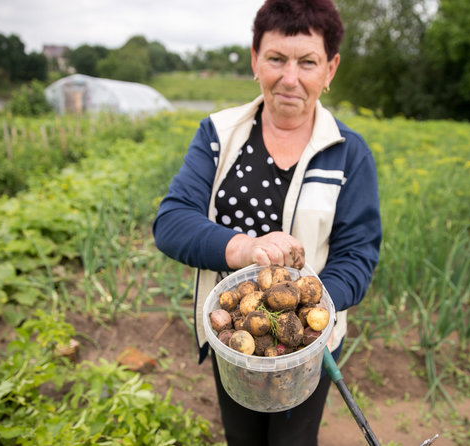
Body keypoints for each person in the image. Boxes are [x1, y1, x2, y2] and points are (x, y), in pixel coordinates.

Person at [152, 0, 382, 444]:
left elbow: (358, 253)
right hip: (233, 328)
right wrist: (244, 248)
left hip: (310, 346)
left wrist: (308, 313)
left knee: (293, 442)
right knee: (241, 437)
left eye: (308, 62)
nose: (290, 78)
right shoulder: (218, 135)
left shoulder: (348, 153)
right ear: (255, 59)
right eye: (276, 58)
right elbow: (172, 221)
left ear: (330, 68)